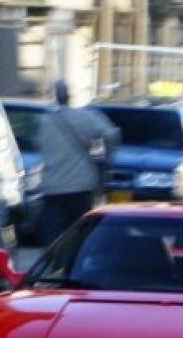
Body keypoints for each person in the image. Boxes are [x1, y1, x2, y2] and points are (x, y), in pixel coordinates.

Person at [37, 79, 120, 245]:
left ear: (55, 96)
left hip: (52, 187)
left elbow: (39, 146)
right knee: (80, 234)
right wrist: (106, 156)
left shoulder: (44, 122)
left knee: (53, 236)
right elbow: (112, 134)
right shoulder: (85, 117)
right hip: (80, 185)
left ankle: (54, 266)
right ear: (70, 95)